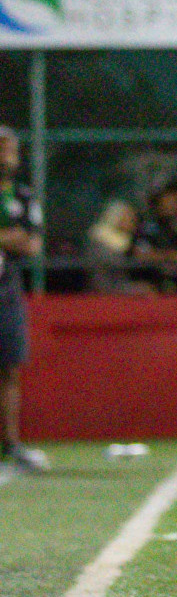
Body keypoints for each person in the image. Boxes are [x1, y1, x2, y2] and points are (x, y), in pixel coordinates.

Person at [0, 128, 46, 473]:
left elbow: (32, 244)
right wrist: (9, 236)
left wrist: (14, 239)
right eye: (4, 146)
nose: (10, 152)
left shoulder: (24, 194)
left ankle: (10, 444)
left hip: (6, 291)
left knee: (10, 368)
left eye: (13, 147)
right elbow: (19, 238)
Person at [132, 181, 177, 293]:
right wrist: (170, 256)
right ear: (158, 205)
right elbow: (140, 255)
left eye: (174, 204)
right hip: (150, 283)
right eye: (167, 203)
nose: (171, 207)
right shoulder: (146, 229)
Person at [84, 199, 145, 294]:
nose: (133, 221)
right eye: (128, 217)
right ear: (116, 218)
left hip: (120, 284)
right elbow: (108, 273)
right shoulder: (100, 240)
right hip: (106, 289)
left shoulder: (127, 240)